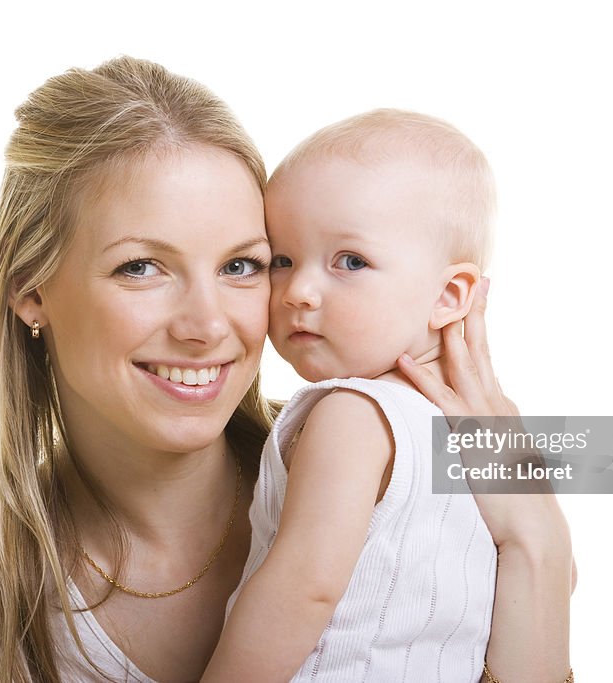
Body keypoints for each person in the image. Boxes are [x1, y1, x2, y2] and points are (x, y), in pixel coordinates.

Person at [0, 57, 573, 683]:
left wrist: (535, 529)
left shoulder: (401, 458)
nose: (208, 325)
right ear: (32, 289)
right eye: (141, 267)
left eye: (240, 264)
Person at [203, 110, 499, 682]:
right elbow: (547, 574)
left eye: (351, 261)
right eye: (282, 261)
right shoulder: (475, 431)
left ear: (449, 296)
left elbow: (304, 588)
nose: (299, 292)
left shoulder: (353, 413)